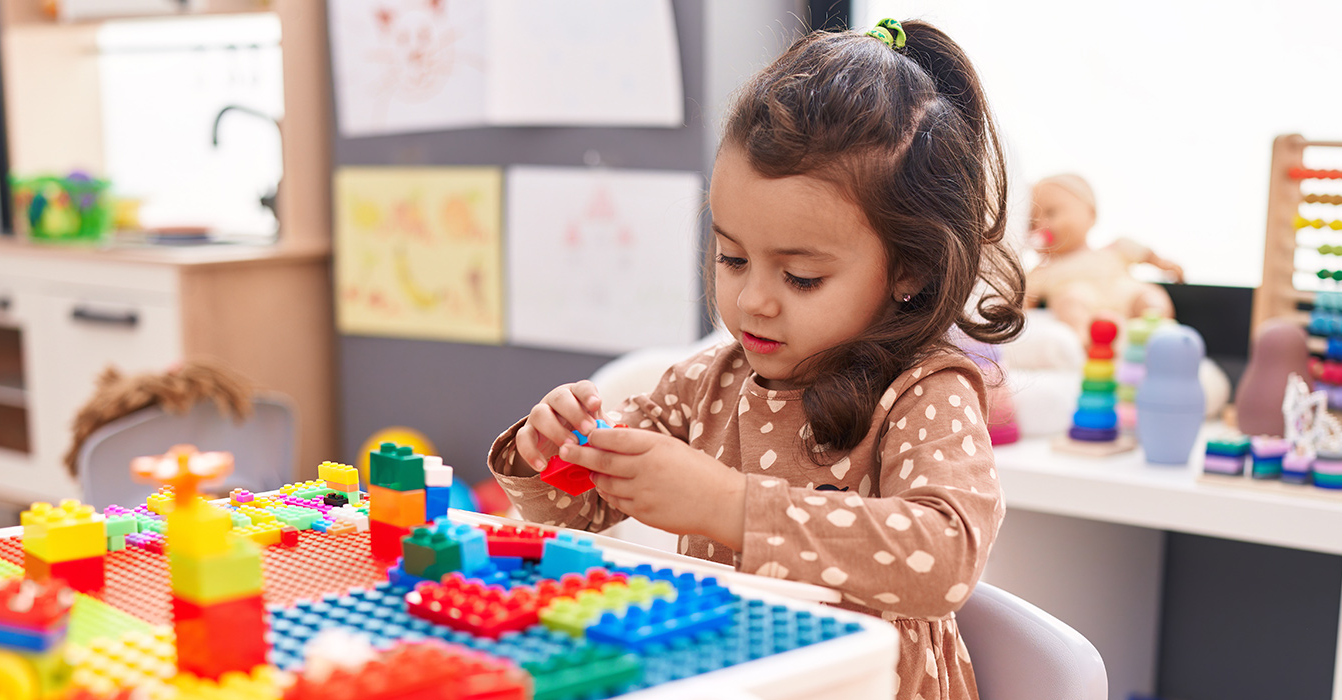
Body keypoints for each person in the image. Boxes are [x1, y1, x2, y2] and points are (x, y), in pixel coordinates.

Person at [487, 19, 1024, 700]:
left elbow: (944, 554)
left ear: (909, 270)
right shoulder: (706, 384)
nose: (754, 303)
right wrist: (557, 453)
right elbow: (572, 515)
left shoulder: (925, 393)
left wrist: (731, 506)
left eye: (801, 277)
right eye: (732, 258)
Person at [1025, 173, 1184, 341]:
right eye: (1032, 223)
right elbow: (1025, 299)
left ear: (1090, 214)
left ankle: (1159, 331)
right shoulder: (1043, 271)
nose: (1042, 225)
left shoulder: (1113, 248)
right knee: (1069, 302)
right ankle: (1086, 339)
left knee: (1149, 295)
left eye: (1051, 213)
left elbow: (1147, 255)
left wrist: (1165, 264)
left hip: (1126, 295)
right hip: (1084, 304)